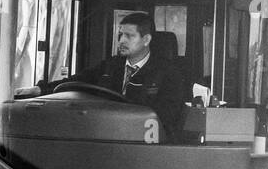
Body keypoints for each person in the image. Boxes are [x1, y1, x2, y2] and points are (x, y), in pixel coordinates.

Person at [77, 12, 187, 140]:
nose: (121, 41)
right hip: (104, 136)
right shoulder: (109, 66)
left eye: (129, 36)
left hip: (143, 141)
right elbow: (76, 81)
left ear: (146, 40)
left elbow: (166, 116)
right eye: (120, 35)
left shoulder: (169, 74)